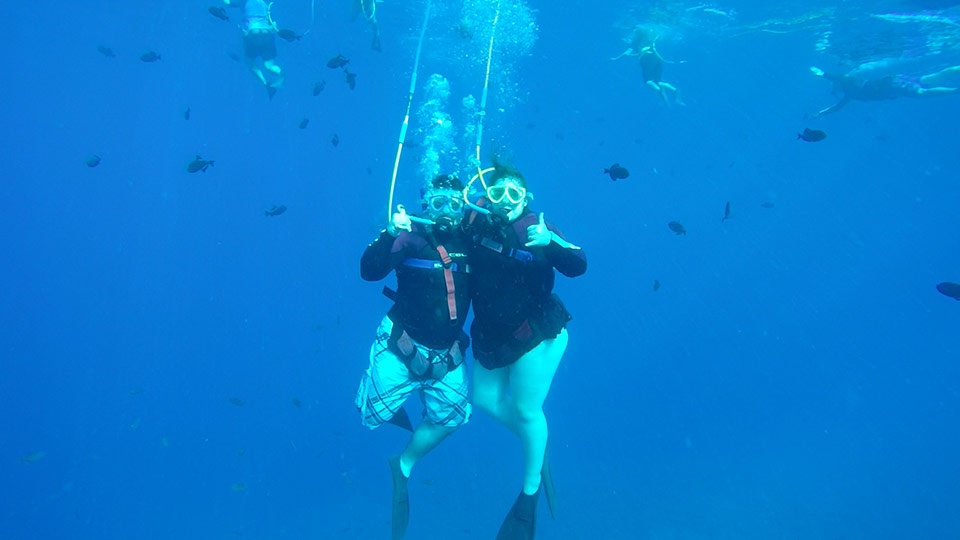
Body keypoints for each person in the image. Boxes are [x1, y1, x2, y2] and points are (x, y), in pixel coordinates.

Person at [462, 163, 587, 539]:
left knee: (526, 410)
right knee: (483, 399)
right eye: (498, 193)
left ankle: (528, 497)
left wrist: (550, 241)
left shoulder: (536, 230)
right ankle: (537, 443)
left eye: (514, 194)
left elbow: (578, 264)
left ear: (526, 199)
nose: (506, 202)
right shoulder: (473, 225)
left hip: (537, 335)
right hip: (492, 336)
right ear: (487, 197)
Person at [356, 174, 472, 540]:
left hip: (448, 355)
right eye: (438, 203)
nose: (445, 212)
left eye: (454, 204)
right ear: (426, 203)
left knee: (454, 417)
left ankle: (402, 463)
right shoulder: (409, 237)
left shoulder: (471, 241)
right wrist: (390, 232)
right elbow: (369, 271)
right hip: (401, 347)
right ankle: (391, 396)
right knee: (370, 415)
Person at [808, 64, 960, 118]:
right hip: (894, 81)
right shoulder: (851, 90)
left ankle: (956, 90)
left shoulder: (850, 85)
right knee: (929, 78)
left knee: (922, 92)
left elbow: (836, 79)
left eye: (834, 86)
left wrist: (822, 74)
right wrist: (820, 113)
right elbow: (837, 107)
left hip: (892, 87)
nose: (834, 89)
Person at [224, 0, 285, 97]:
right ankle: (281, 75)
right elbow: (271, 22)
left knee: (250, 63)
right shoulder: (263, 3)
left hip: (253, 34)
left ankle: (265, 83)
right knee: (269, 66)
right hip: (267, 34)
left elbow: (227, 3)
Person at [612, 27, 683, 106]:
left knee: (648, 81)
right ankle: (674, 90)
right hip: (657, 60)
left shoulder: (635, 42)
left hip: (647, 61)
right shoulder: (650, 39)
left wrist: (616, 58)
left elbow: (627, 53)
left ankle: (659, 90)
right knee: (659, 81)